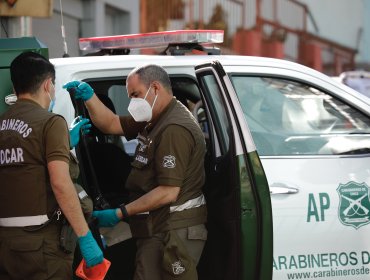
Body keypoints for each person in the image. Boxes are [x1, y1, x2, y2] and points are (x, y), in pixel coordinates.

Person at [63, 64, 208, 280]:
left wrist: (120, 212)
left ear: (156, 88)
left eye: (135, 94)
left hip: (172, 231)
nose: (133, 102)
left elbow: (168, 192)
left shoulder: (173, 129)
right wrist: (90, 97)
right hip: (158, 228)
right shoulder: (154, 118)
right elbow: (111, 124)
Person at [0, 52, 103, 280]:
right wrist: (85, 236)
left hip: (7, 245)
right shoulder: (50, 122)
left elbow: (24, 168)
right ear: (48, 84)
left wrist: (63, 144)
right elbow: (60, 182)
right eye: (54, 86)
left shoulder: (2, 124)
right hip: (42, 247)